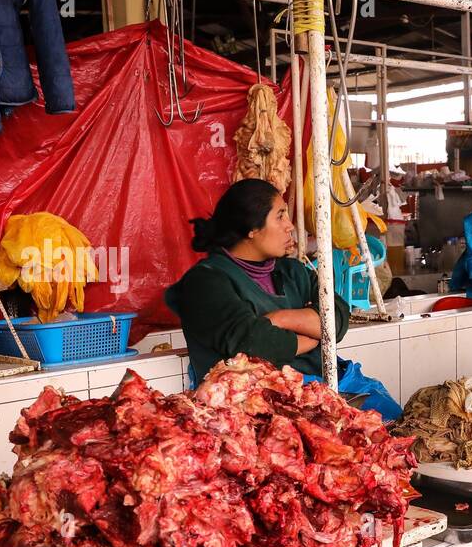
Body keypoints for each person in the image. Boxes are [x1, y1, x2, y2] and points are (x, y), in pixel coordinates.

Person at [166, 178, 401, 419]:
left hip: (322, 388)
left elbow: (337, 318)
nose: (290, 226)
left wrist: (279, 319)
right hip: (255, 407)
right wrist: (315, 336)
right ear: (251, 228)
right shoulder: (206, 281)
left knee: (393, 419)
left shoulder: (293, 271)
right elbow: (253, 343)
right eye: (280, 216)